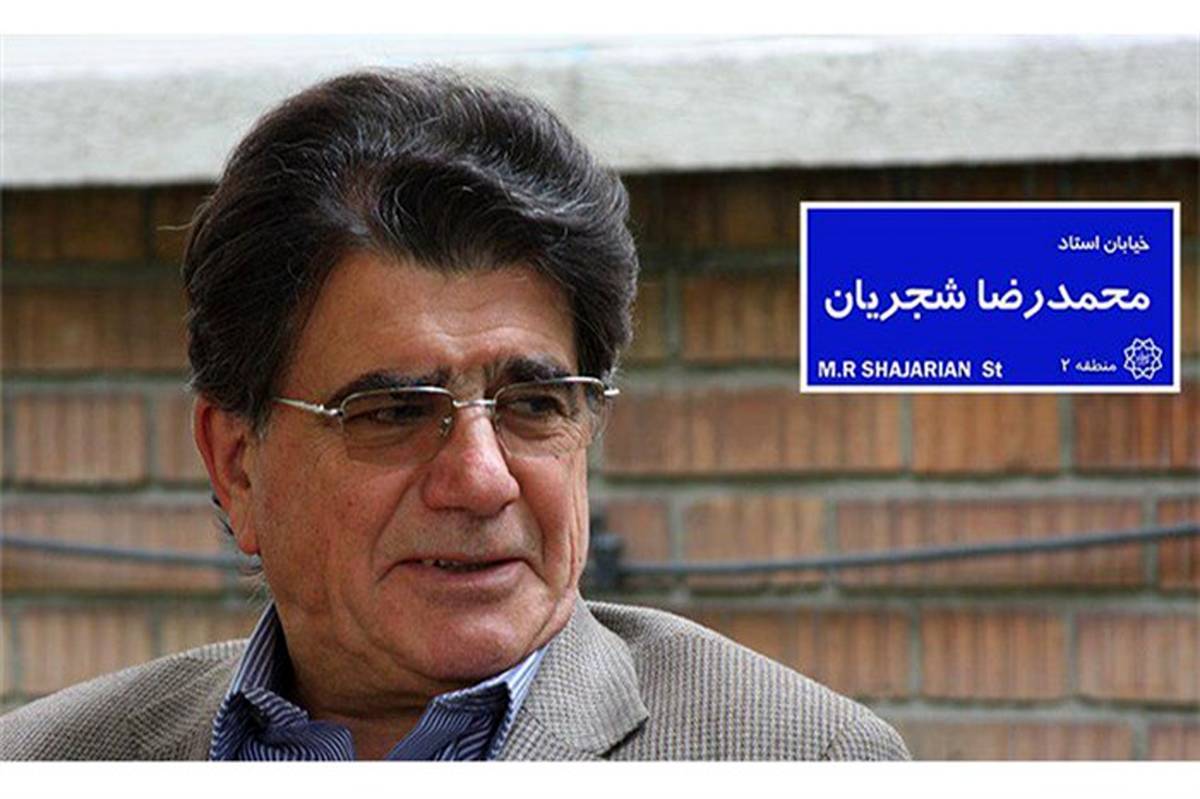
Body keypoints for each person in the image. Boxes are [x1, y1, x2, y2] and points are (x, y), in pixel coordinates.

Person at [0, 68, 909, 761]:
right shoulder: (50, 760)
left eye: (534, 405)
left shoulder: (798, 758)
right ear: (237, 463)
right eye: (395, 411)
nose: (481, 479)